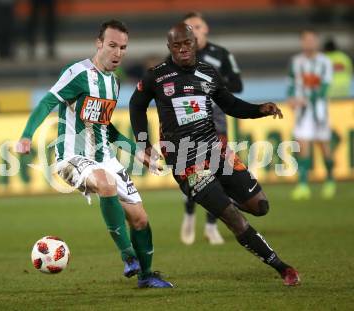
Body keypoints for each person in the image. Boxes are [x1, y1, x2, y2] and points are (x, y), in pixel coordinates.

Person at [129, 23, 300, 286]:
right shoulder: (157, 76)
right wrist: (144, 143)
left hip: (216, 149)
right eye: (177, 45)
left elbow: (229, 103)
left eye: (187, 43)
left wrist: (259, 110)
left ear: (194, 42)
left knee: (261, 206)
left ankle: (222, 196)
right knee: (234, 219)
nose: (183, 49)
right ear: (170, 48)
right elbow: (136, 104)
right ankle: (281, 267)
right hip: (185, 160)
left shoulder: (209, 73)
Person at [16, 20, 172, 288]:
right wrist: (27, 135)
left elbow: (105, 127)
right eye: (112, 45)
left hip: (105, 158)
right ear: (99, 43)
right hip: (71, 157)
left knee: (139, 218)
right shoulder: (77, 73)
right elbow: (48, 101)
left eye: (123, 47)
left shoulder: (113, 82)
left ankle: (145, 276)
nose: (118, 52)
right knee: (105, 183)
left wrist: (136, 151)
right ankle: (128, 257)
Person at [179, 12, 243, 246]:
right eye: (189, 27)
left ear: (205, 29)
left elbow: (238, 84)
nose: (193, 31)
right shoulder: (178, 54)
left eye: (197, 26)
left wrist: (214, 83)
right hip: (188, 121)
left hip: (215, 120)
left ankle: (210, 226)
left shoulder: (221, 55)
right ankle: (188, 213)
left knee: (217, 172)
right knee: (193, 173)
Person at [288, 30, 335, 200]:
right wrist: (291, 99)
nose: (309, 43)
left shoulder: (325, 62)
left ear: (317, 42)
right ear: (302, 42)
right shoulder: (296, 61)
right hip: (302, 112)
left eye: (312, 40)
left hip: (319, 111)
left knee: (324, 146)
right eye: (306, 40)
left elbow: (324, 88)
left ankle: (330, 179)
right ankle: (303, 184)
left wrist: (304, 99)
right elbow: (291, 83)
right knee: (303, 145)